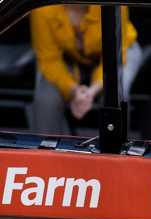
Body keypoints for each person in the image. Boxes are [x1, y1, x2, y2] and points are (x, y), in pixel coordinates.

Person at [30, 4, 141, 135]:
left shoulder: (117, 5)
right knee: (45, 97)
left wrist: (92, 92)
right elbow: (48, 60)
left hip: (120, 52)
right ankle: (47, 150)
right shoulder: (41, 8)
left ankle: (117, 149)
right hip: (69, 57)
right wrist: (73, 90)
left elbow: (115, 56)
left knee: (117, 92)